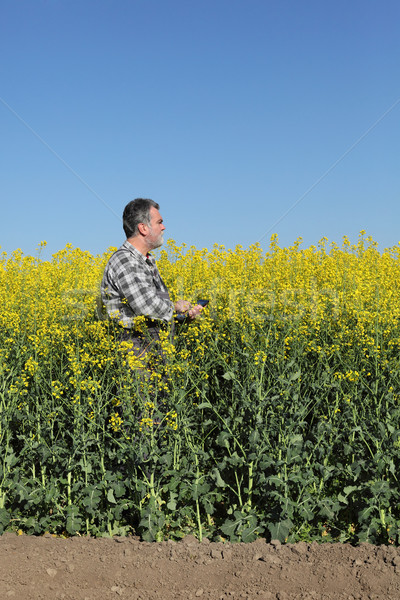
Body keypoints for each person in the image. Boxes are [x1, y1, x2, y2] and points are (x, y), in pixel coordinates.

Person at [101, 198, 202, 358]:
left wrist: (183, 317)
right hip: (137, 354)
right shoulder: (126, 261)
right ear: (143, 228)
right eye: (159, 222)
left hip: (155, 350)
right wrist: (176, 308)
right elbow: (146, 306)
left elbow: (155, 313)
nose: (163, 227)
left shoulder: (146, 260)